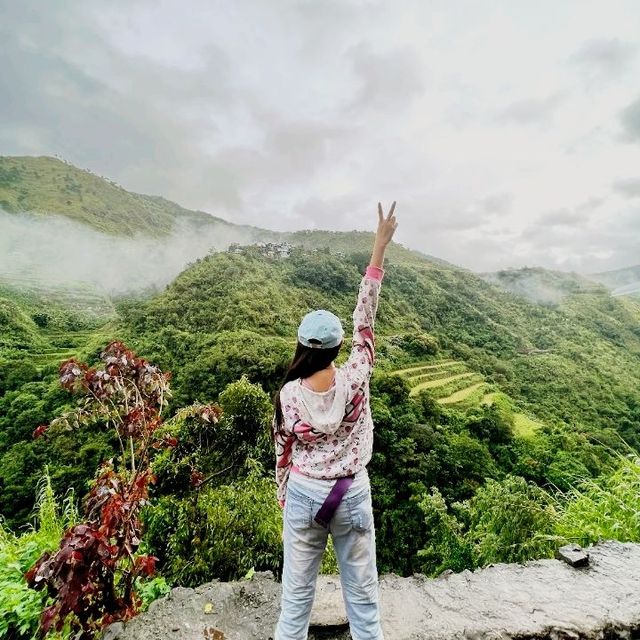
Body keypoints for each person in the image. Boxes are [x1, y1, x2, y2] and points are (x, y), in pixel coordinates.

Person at [272, 202, 398, 640]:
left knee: (295, 600)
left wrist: (284, 495)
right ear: (336, 346)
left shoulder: (288, 396)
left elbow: (282, 452)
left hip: (306, 494)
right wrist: (378, 248)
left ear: (302, 346)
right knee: (363, 600)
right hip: (351, 492)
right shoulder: (357, 376)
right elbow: (366, 320)